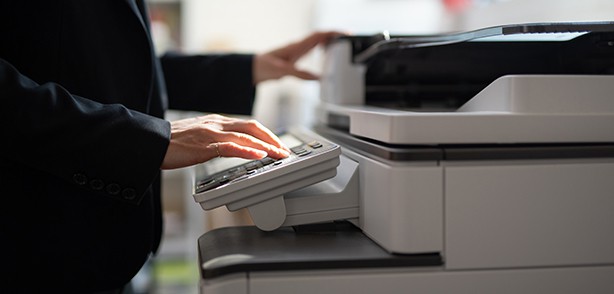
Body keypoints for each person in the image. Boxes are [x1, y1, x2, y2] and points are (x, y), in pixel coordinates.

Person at [0, 0, 341, 292]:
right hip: (34, 247)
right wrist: (145, 138)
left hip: (98, 244)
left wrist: (249, 69)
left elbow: (118, 69)